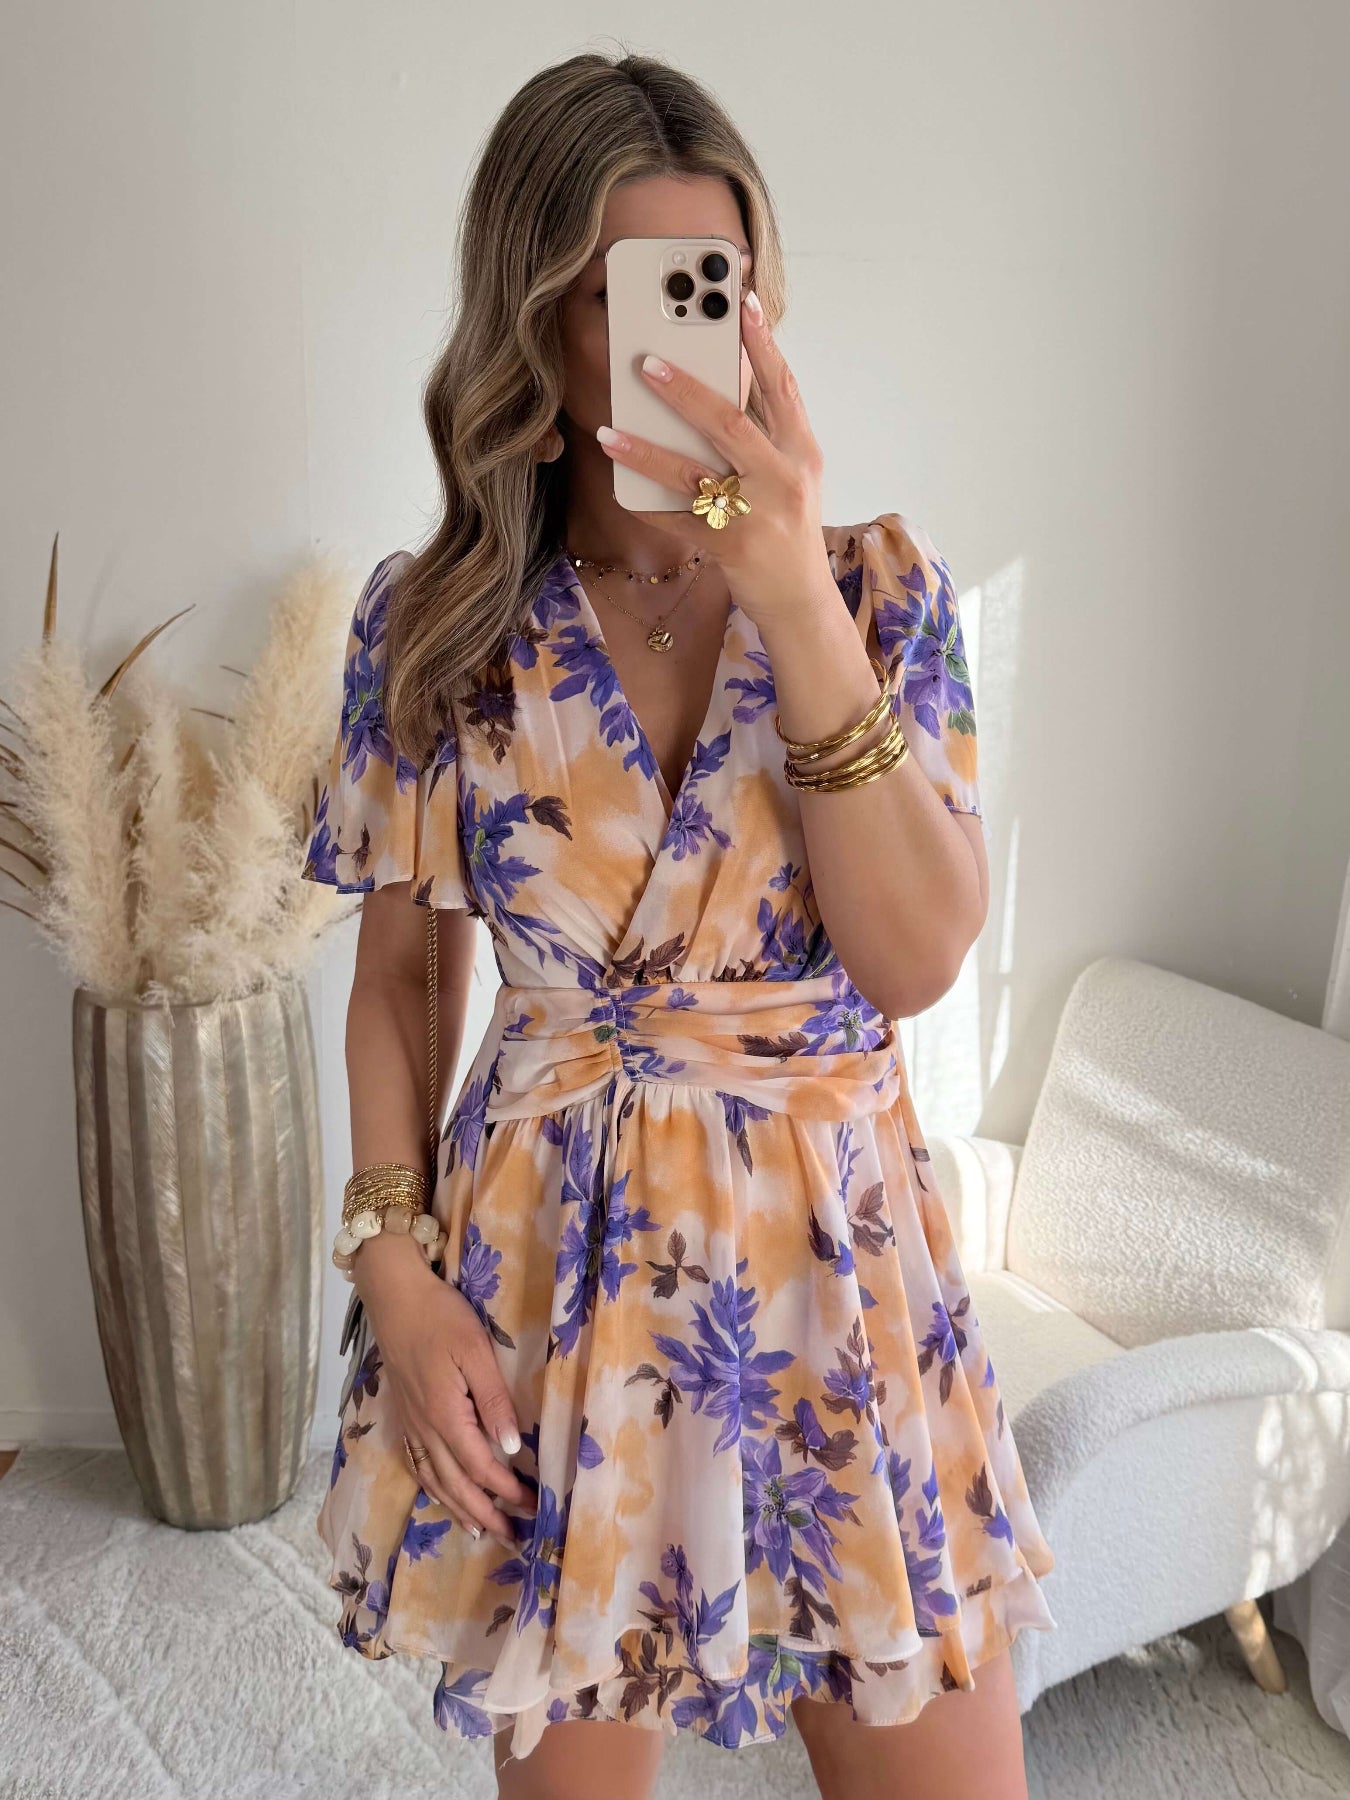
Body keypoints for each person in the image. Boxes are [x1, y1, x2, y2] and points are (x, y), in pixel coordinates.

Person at [300, 47, 1056, 1800]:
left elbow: (913, 960)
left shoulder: (874, 593)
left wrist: (787, 593)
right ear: (534, 325)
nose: (674, 339)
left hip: (838, 1277)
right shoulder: (436, 626)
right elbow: (402, 979)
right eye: (620, 291)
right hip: (552, 1278)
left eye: (711, 282)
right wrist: (392, 1268)